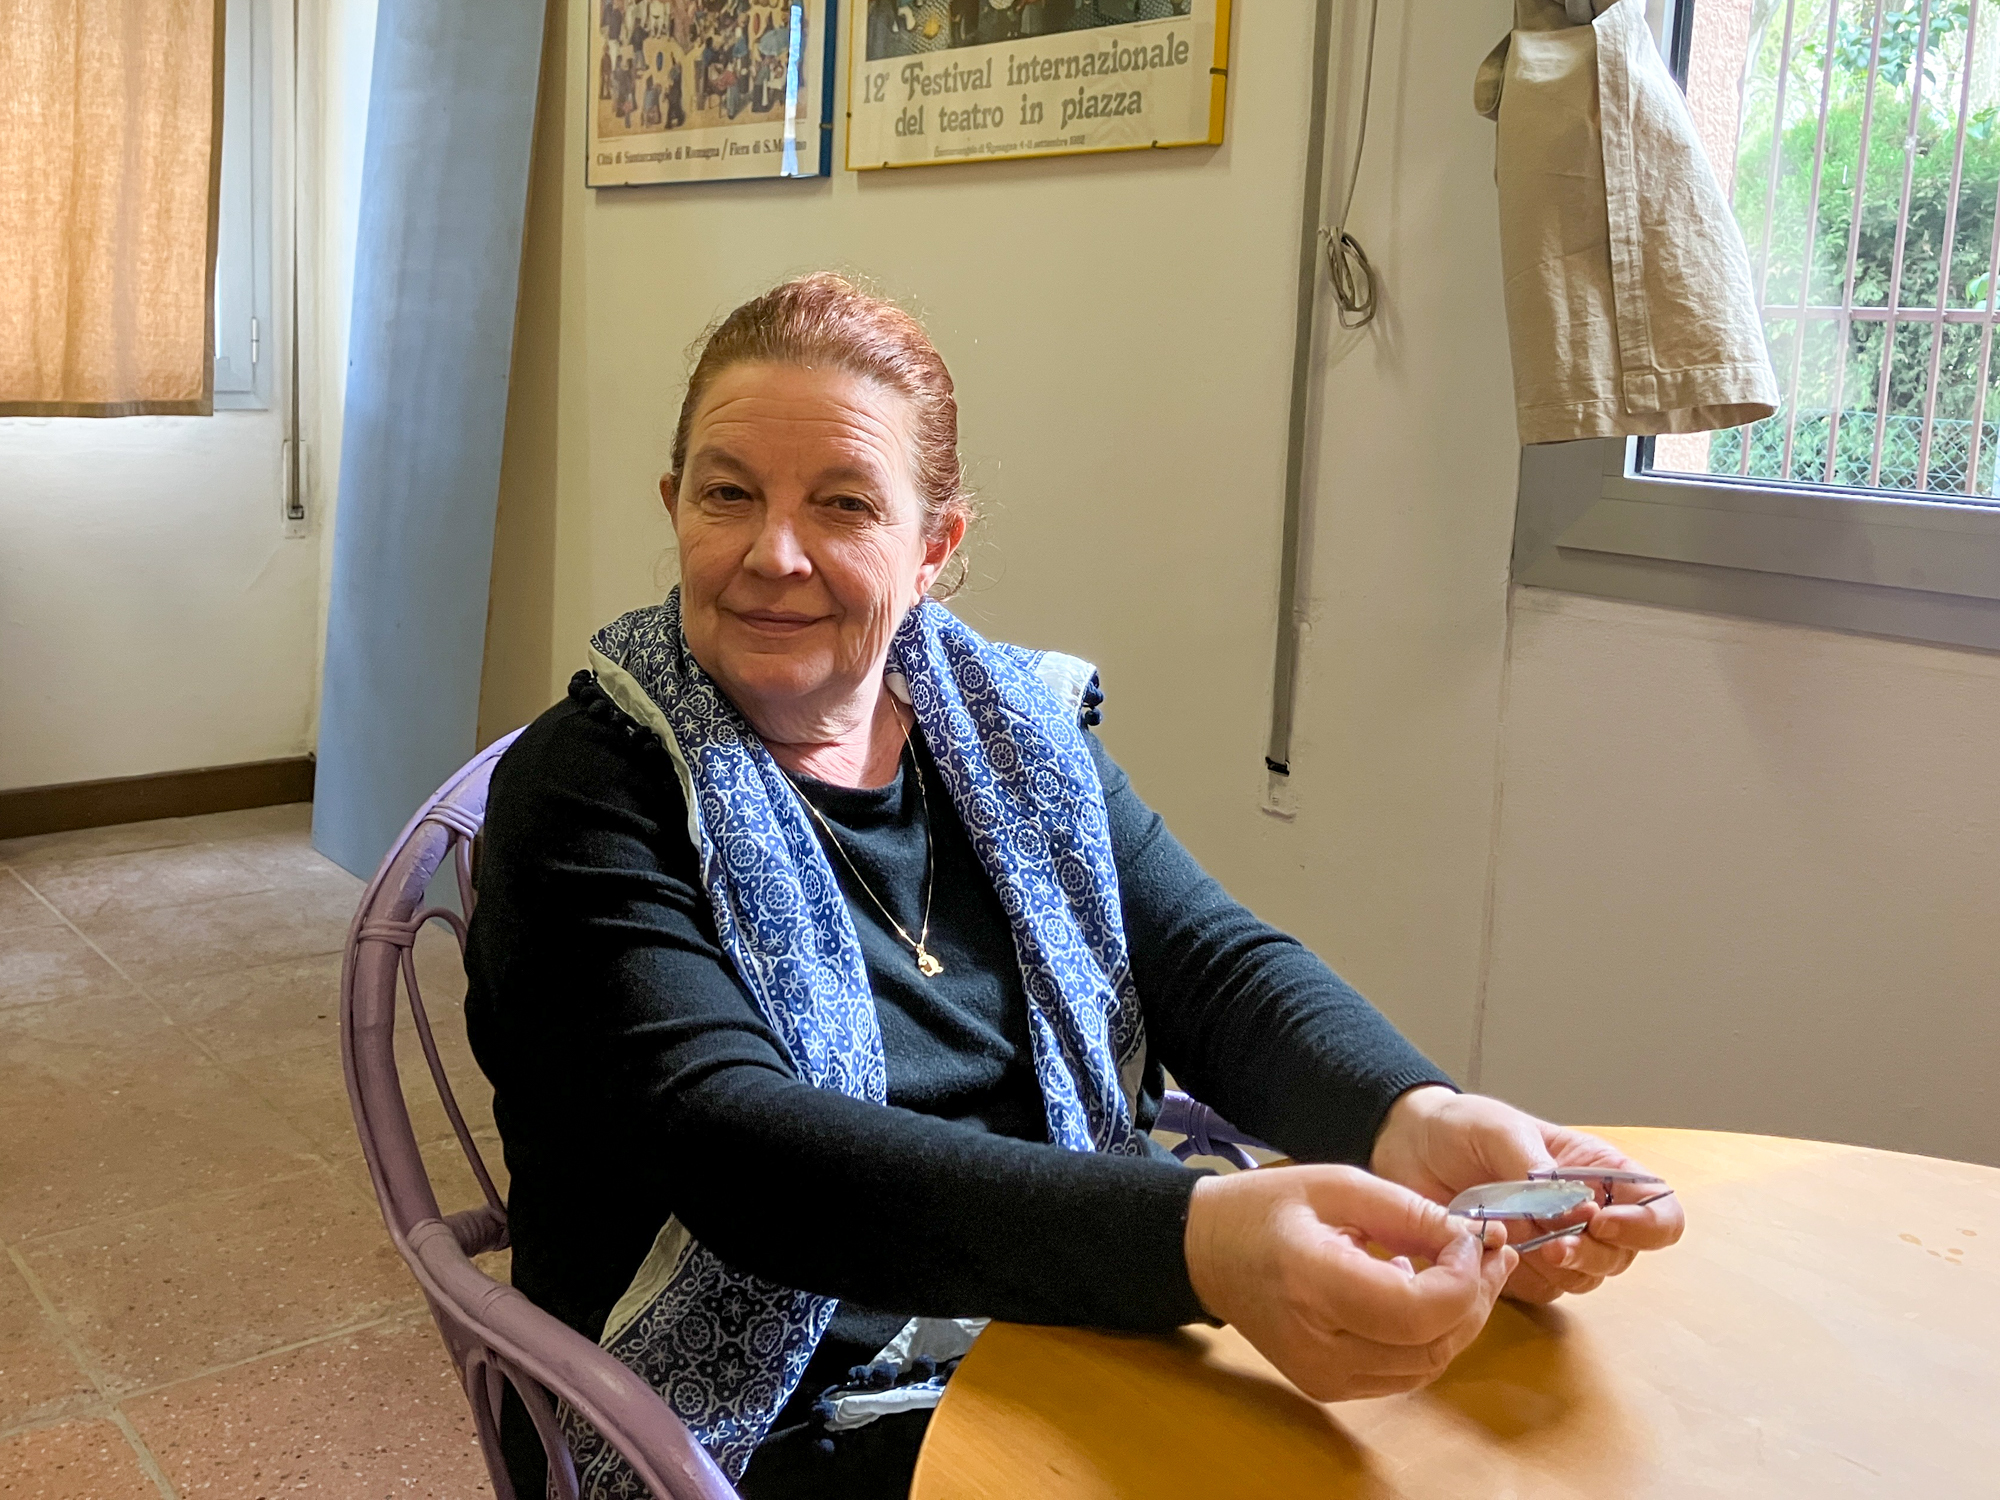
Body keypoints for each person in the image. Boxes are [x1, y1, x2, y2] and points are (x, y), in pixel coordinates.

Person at [464, 274, 1683, 1500]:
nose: (774, 555)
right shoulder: (584, 790)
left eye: (843, 505)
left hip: (1045, 1329)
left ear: (935, 547)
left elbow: (1210, 964)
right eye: (728, 494)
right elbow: (739, 1153)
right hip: (753, 1424)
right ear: (673, 504)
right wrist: (1200, 1242)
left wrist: (1407, 1120)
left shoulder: (1008, 731)